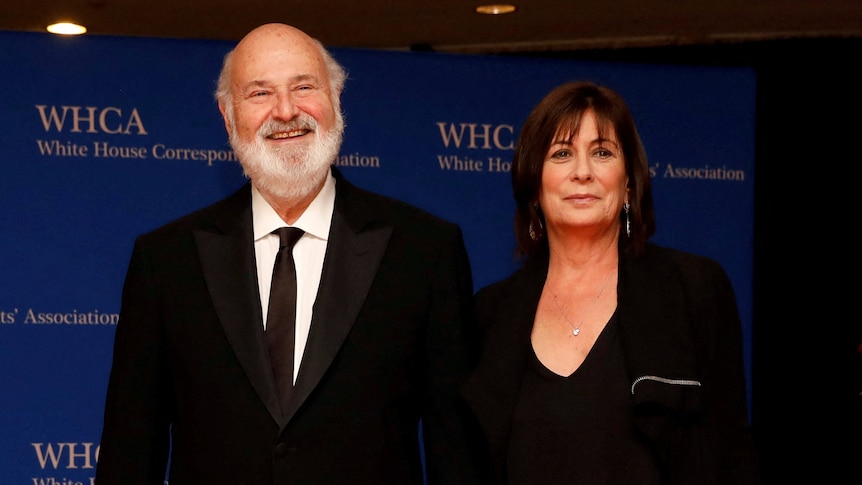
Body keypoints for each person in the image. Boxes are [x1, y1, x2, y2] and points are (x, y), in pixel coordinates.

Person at [95, 23, 481, 484]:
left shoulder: (424, 250)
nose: (285, 111)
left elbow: (456, 450)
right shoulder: (165, 260)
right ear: (228, 116)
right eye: (260, 93)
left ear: (336, 100)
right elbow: (130, 450)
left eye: (304, 87)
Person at [460, 81, 761, 484]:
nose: (582, 172)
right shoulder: (492, 313)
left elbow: (733, 453)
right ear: (534, 186)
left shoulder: (693, 288)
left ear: (629, 183)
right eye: (562, 153)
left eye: (602, 152)